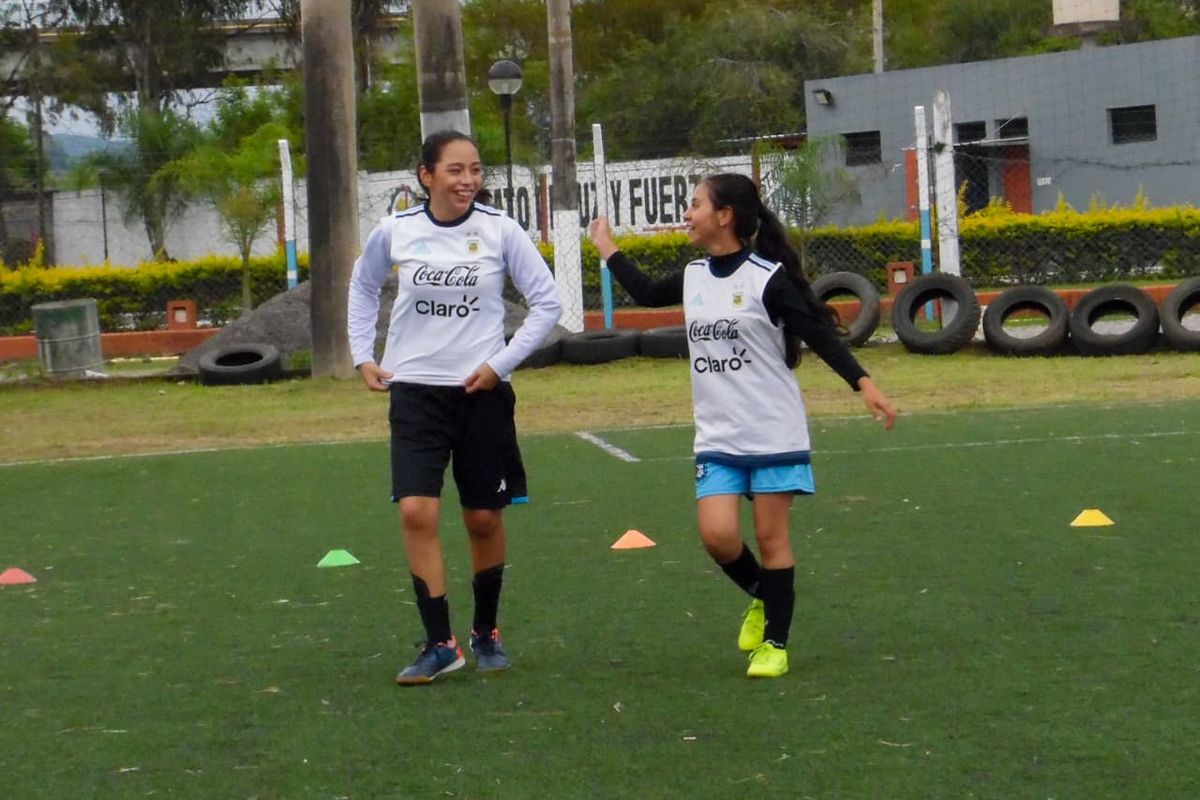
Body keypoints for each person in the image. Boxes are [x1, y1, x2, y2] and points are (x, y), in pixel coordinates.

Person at [588, 173, 896, 679]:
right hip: (718, 434)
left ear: (724, 216)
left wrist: (863, 383)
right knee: (717, 535)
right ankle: (762, 595)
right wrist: (607, 247)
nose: (687, 214)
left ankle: (775, 643)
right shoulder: (693, 276)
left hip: (773, 430)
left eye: (695, 205)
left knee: (771, 538)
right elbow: (644, 292)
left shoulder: (766, 277)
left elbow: (817, 333)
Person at [348, 131, 561, 685]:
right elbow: (363, 286)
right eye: (455, 170)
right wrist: (360, 355)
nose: (468, 181)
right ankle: (439, 643)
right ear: (426, 175)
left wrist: (501, 363)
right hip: (415, 391)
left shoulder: (499, 229)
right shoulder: (396, 232)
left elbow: (547, 302)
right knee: (417, 511)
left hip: (481, 394)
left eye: (475, 170)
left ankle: (485, 632)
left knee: (483, 517)